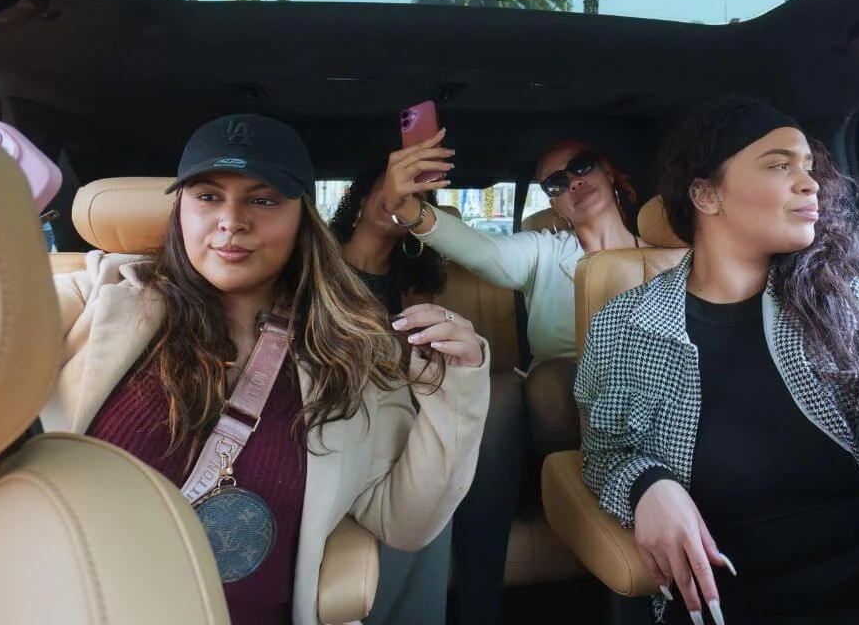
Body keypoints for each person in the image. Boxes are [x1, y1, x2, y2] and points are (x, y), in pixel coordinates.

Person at [42, 113, 491, 625]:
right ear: (180, 210)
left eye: (263, 199)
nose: (232, 221)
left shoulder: (354, 353)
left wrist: (457, 386)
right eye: (207, 196)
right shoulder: (91, 298)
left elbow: (406, 523)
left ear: (302, 218)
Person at [574, 96, 859, 625]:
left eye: (810, 168)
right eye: (779, 165)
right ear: (706, 194)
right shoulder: (626, 323)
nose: (810, 183)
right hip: (722, 599)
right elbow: (604, 450)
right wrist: (647, 485)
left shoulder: (857, 299)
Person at [379, 132, 643, 623]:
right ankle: (481, 611)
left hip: (640, 423)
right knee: (514, 387)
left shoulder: (667, 257)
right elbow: (478, 250)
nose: (573, 183)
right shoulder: (544, 252)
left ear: (610, 171)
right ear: (555, 204)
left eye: (582, 167)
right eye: (556, 183)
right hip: (548, 427)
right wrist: (412, 212)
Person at [331, 161, 527, 625]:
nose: (394, 200)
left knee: (497, 403)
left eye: (409, 196)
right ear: (360, 197)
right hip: (354, 414)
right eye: (386, 189)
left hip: (413, 408)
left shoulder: (417, 284)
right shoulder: (317, 264)